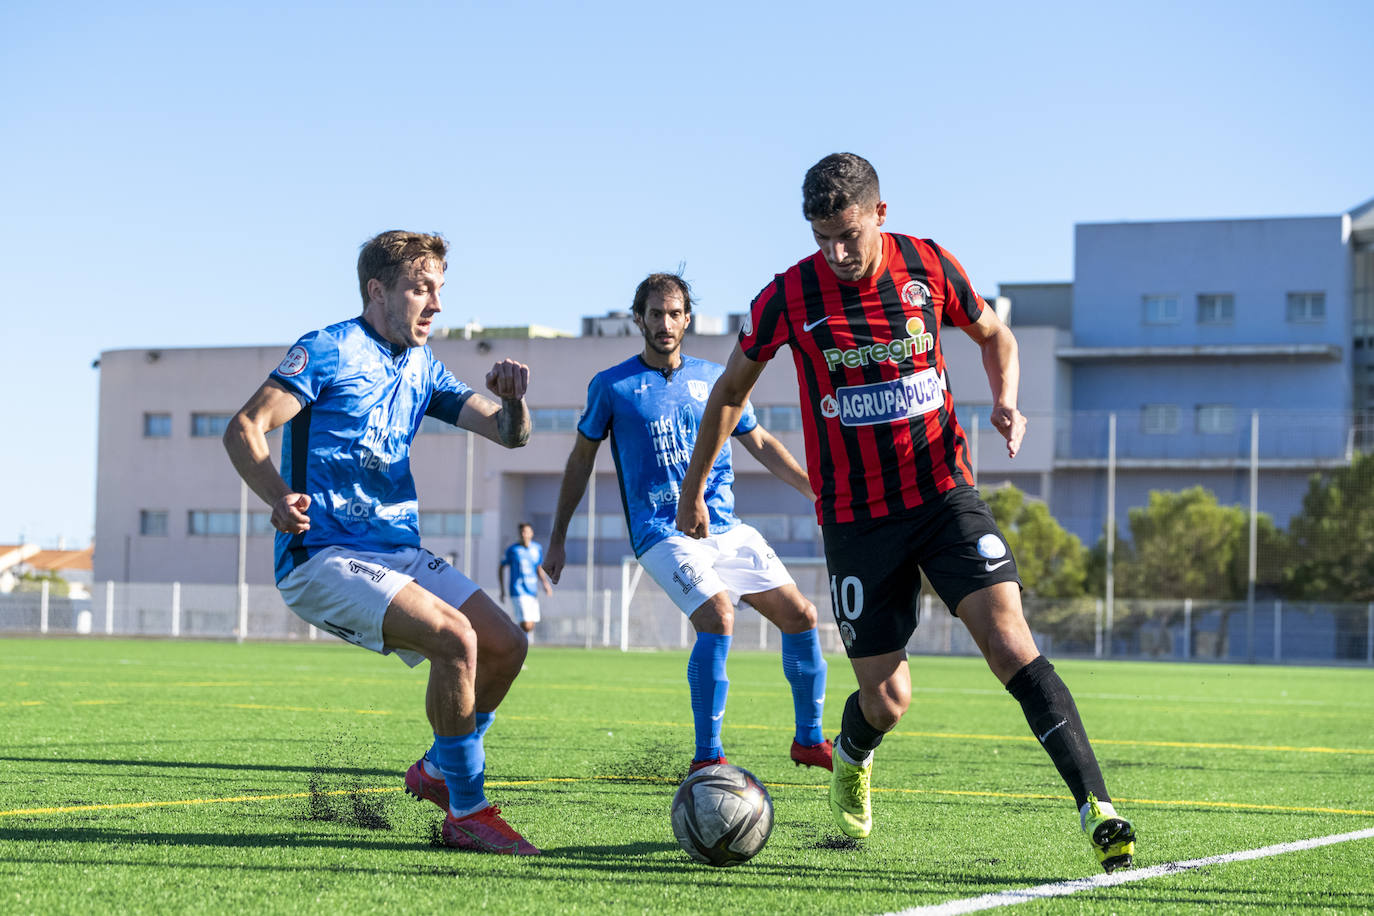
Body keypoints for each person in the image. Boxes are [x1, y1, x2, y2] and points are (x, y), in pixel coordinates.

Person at [675, 154, 1135, 873]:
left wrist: (1005, 398)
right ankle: (852, 755)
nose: (837, 251)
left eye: (848, 234)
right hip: (858, 520)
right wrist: (694, 487)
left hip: (944, 495)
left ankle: (1097, 808)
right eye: (823, 236)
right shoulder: (788, 296)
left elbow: (995, 336)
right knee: (887, 699)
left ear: (879, 215)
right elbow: (730, 391)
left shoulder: (928, 265)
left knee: (1010, 640)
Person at [223, 230, 539, 855]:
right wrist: (277, 496)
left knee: (506, 645)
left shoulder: (424, 365)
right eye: (421, 288)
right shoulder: (328, 349)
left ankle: (437, 770)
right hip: (324, 557)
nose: (436, 304)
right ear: (378, 292)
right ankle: (467, 812)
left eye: (440, 290)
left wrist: (515, 403)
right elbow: (245, 428)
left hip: (399, 549)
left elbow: (508, 435)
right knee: (455, 638)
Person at [542, 272, 833, 774]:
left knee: (802, 616)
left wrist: (816, 491)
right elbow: (579, 463)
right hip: (663, 534)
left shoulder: (715, 379)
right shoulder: (611, 386)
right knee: (719, 617)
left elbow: (760, 442)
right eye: (655, 313)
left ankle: (808, 740)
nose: (665, 323)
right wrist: (558, 539)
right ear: (639, 319)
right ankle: (707, 758)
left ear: (687, 318)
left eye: (674, 313)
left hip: (727, 527)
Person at [499, 522, 553, 638]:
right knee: (526, 625)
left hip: (532, 591)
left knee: (531, 624)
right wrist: (502, 589)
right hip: (517, 590)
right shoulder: (512, 550)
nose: (525, 534)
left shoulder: (537, 548)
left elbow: (538, 567)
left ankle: (516, 642)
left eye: (527, 532)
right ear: (519, 534)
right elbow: (501, 566)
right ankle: (516, 643)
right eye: (522, 532)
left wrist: (545, 583)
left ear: (531, 533)